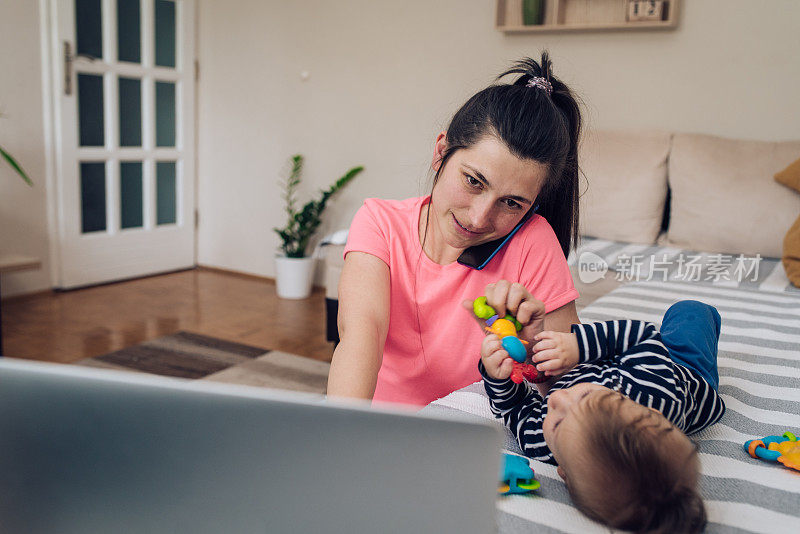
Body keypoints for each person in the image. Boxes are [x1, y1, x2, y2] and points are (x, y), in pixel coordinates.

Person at [327, 53, 583, 406]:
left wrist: (536, 351)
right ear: (441, 152)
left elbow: (574, 402)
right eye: (474, 181)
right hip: (378, 426)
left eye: (512, 203)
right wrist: (341, 438)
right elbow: (360, 337)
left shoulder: (533, 241)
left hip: (474, 433)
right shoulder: (380, 223)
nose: (478, 219)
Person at [480, 299, 726, 533]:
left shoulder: (541, 444)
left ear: (563, 471)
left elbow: (514, 408)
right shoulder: (654, 389)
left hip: (636, 375)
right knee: (690, 312)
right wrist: (577, 346)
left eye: (556, 424)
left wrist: (497, 376)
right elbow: (642, 336)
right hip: (678, 370)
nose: (556, 399)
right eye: (585, 396)